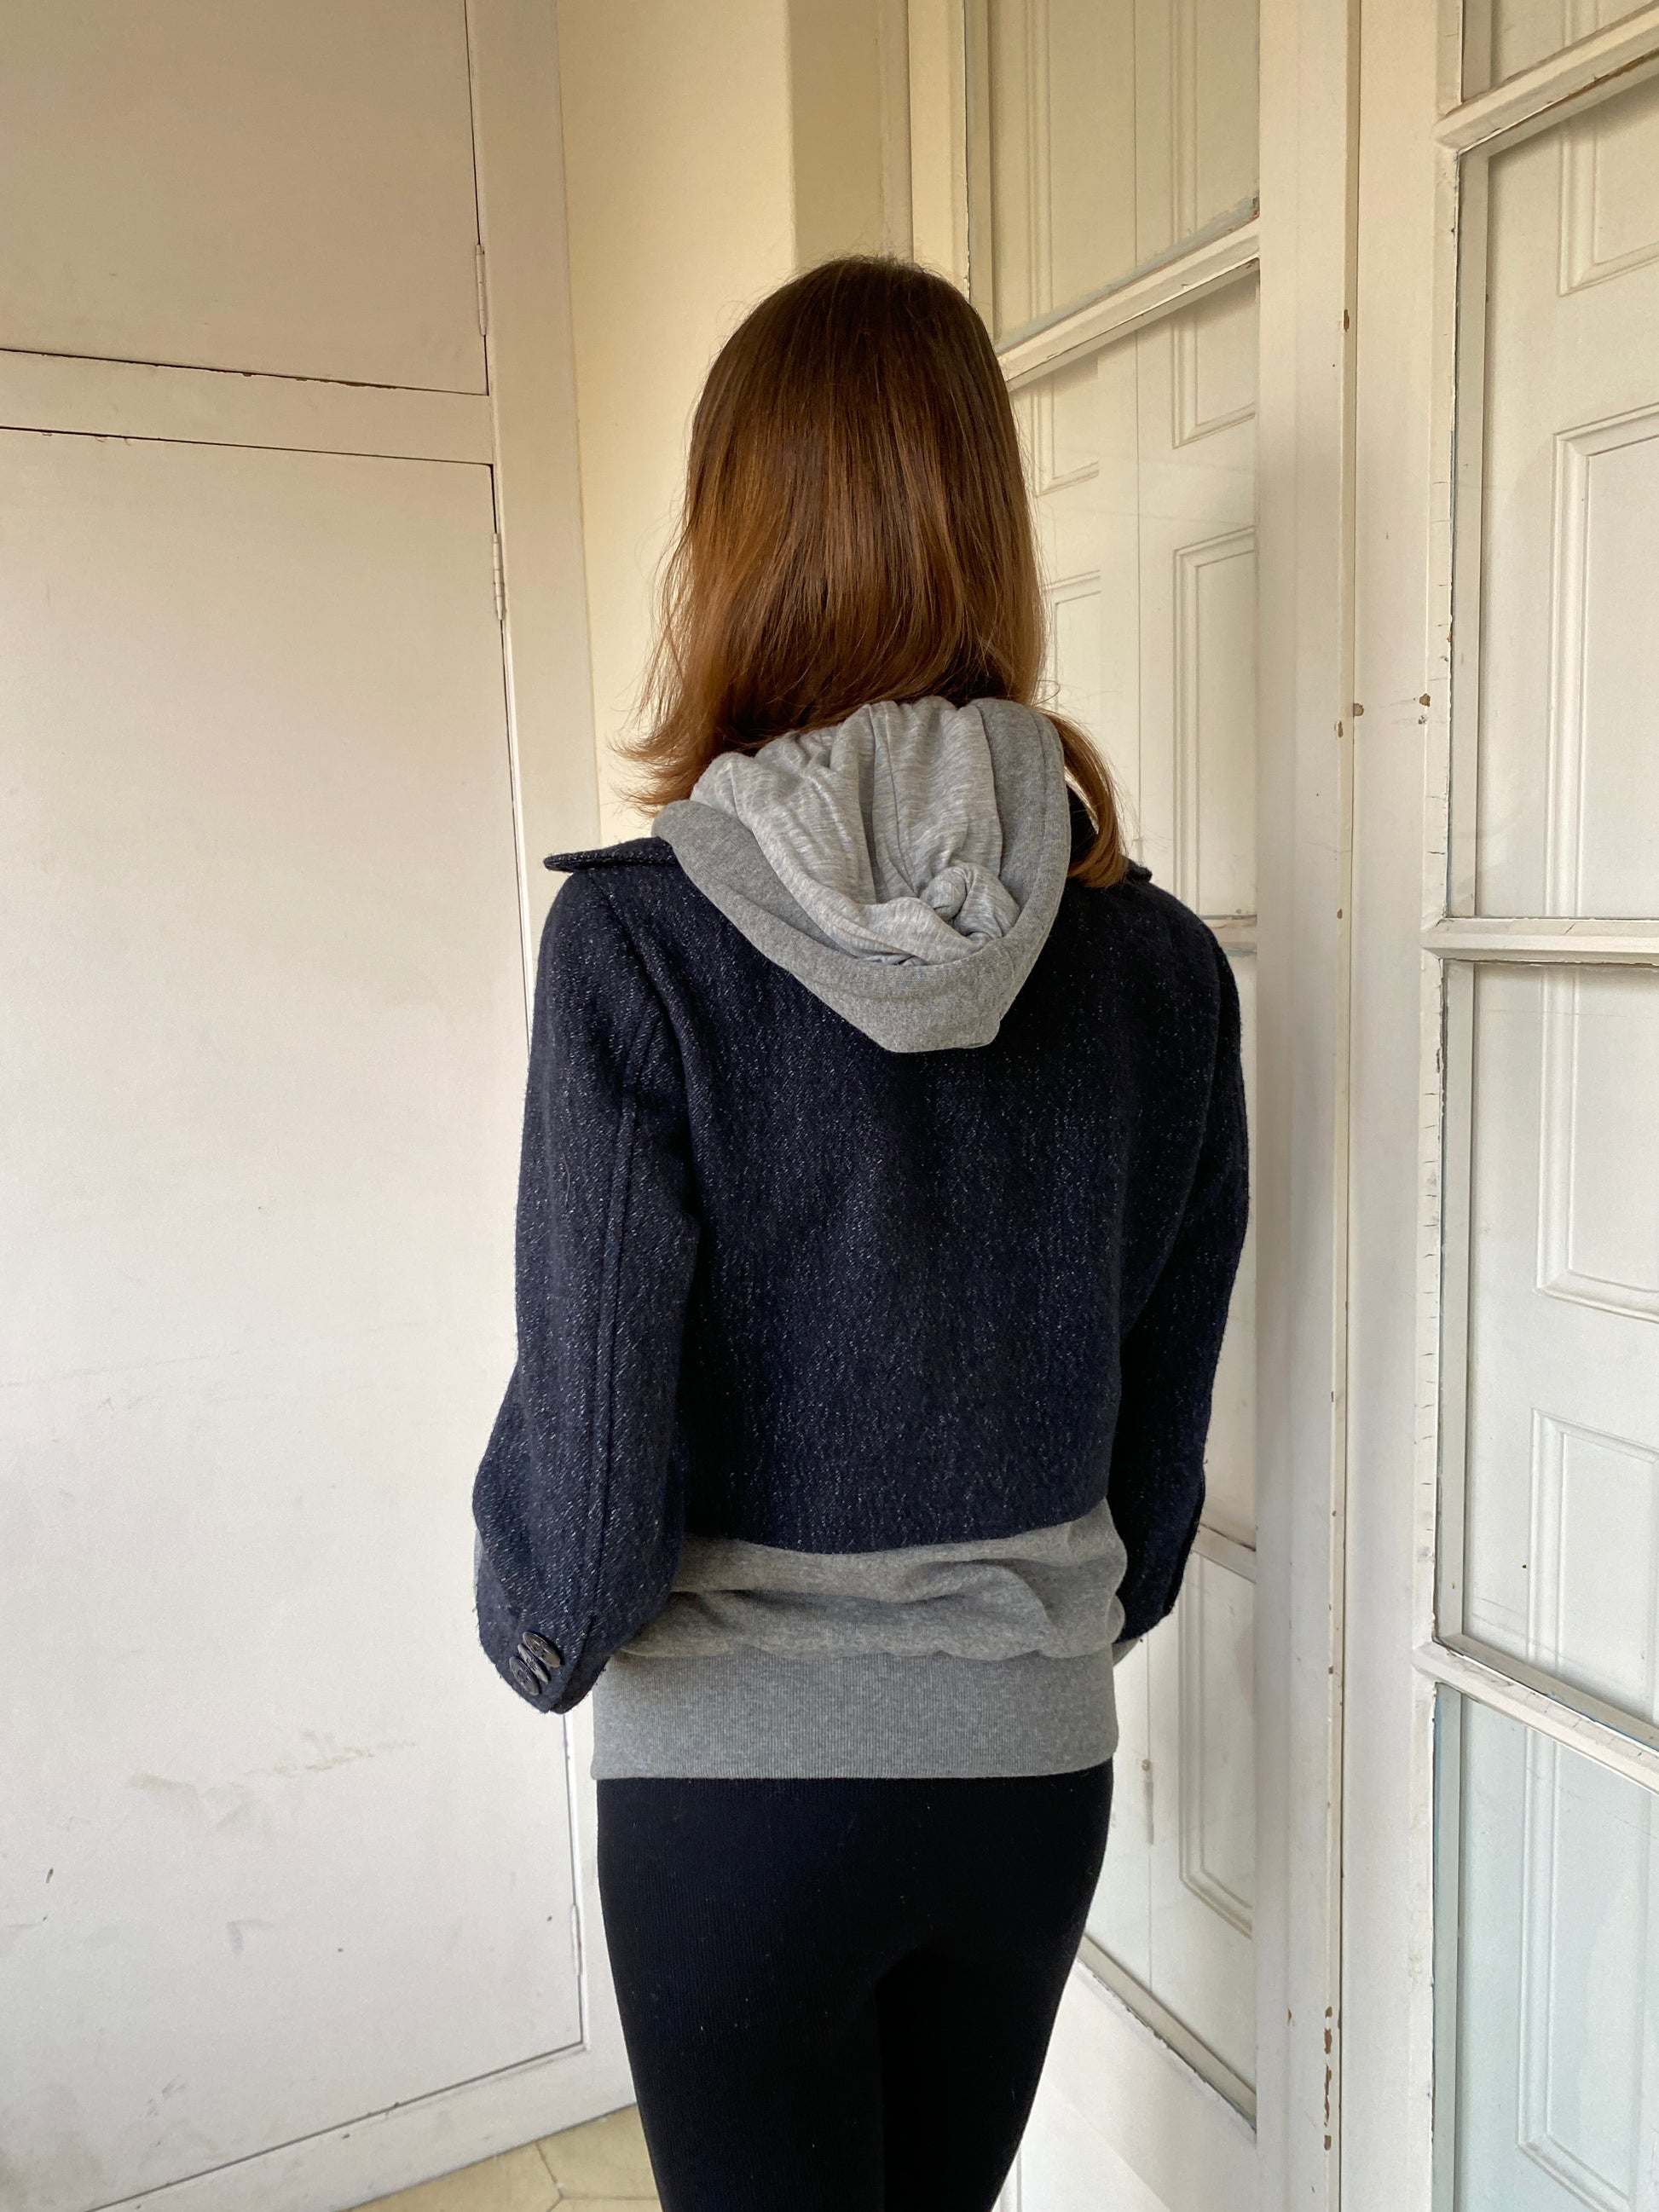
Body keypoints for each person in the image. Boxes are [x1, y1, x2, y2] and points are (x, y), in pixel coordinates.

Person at [471, 255, 1249, 2212]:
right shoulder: (1159, 964)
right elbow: (1162, 1428)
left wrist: (533, 1624)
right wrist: (1042, 1636)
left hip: (735, 1800)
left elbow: (590, 1472)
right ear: (989, 525)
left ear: (729, 543)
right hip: (1029, 1766)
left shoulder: (634, 943)